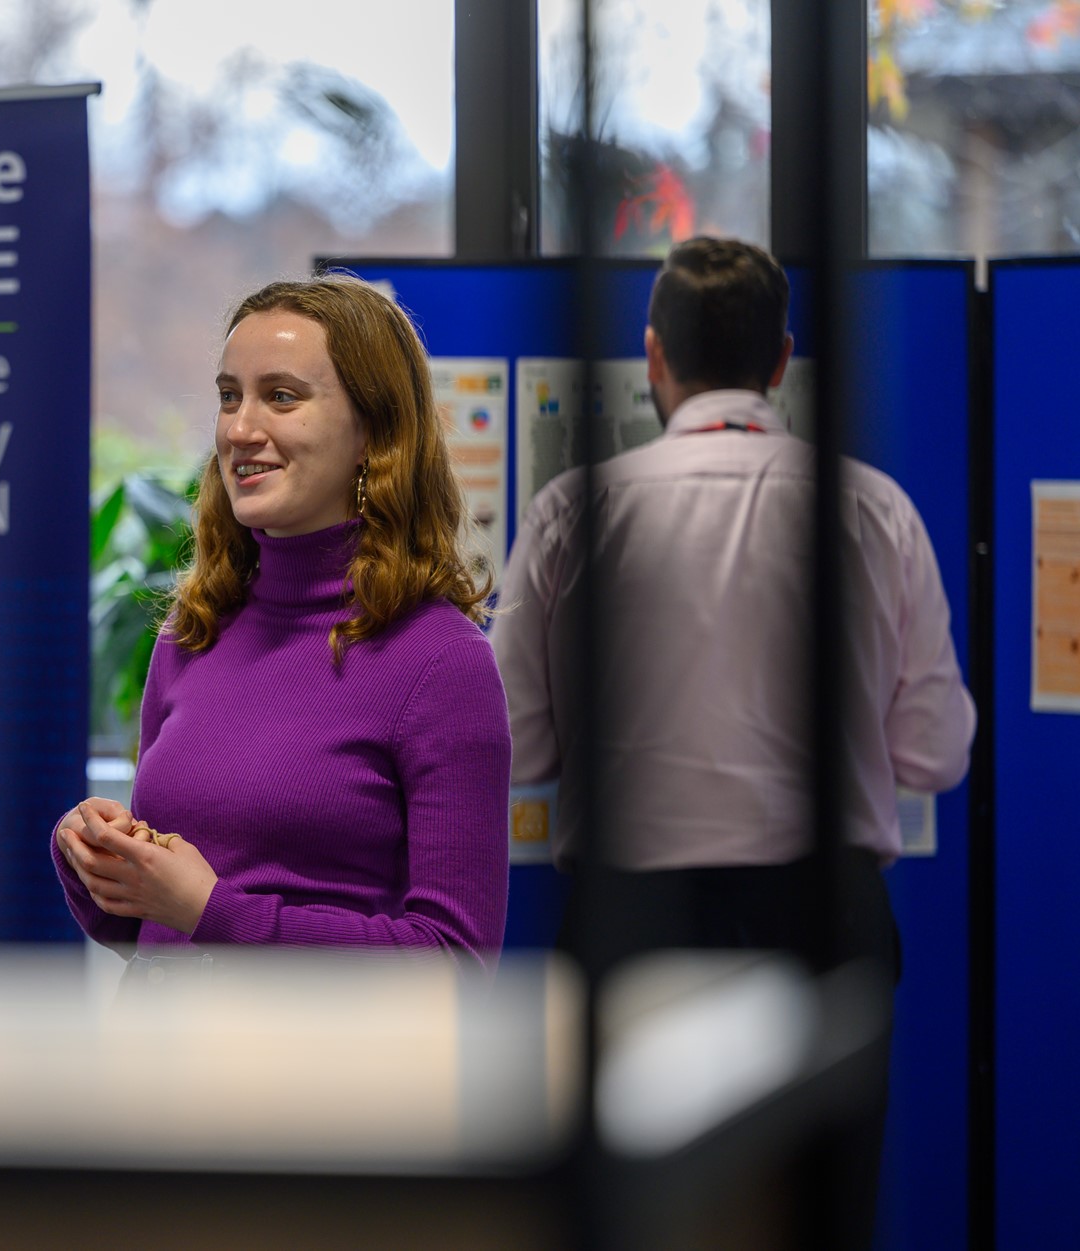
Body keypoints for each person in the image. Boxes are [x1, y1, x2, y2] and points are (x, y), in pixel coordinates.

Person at [489, 236, 975, 1246]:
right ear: (781, 359)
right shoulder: (873, 509)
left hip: (632, 924)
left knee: (630, 1219)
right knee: (820, 1219)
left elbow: (514, 748)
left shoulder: (571, 512)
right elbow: (933, 755)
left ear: (652, 358)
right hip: (823, 922)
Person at [52, 274, 511, 981]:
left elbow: (454, 965)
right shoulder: (193, 629)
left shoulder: (441, 661)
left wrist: (216, 910)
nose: (240, 428)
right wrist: (106, 868)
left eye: (282, 396)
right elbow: (162, 933)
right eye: (230, 395)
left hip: (312, 1082)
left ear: (372, 432)